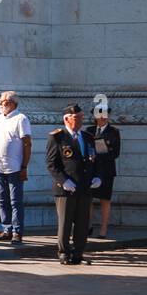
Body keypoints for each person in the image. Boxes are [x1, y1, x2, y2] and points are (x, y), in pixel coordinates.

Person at [48, 104, 101, 266]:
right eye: (77, 118)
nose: (80, 121)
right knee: (65, 222)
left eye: (82, 118)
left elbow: (94, 160)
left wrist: (98, 176)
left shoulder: (87, 137)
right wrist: (64, 181)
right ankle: (64, 253)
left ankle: (78, 253)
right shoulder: (57, 137)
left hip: (85, 187)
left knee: (82, 223)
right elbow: (51, 164)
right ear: (66, 119)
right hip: (66, 188)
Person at [0, 90, 31, 244]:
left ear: (13, 103)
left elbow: (27, 143)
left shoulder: (21, 119)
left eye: (4, 101)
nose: (1, 104)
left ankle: (17, 231)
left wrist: (24, 166)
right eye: (0, 101)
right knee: (1, 200)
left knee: (15, 201)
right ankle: (6, 229)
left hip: (15, 167)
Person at [86, 104, 120, 238]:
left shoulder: (114, 131)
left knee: (105, 199)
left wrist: (98, 155)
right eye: (99, 114)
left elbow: (115, 153)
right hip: (92, 170)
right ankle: (88, 225)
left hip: (106, 170)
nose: (102, 117)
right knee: (89, 198)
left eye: (105, 114)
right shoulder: (89, 130)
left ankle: (103, 229)